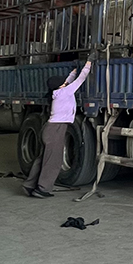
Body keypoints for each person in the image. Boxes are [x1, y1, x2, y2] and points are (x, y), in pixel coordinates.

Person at [22, 51, 96, 198]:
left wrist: (73, 71)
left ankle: (29, 185)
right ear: (60, 86)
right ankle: (43, 189)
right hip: (56, 130)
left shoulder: (57, 93)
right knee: (53, 161)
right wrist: (88, 63)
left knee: (42, 158)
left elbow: (69, 81)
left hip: (50, 129)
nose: (65, 83)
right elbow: (81, 79)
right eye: (63, 83)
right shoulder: (65, 93)